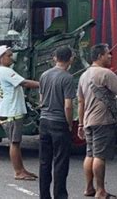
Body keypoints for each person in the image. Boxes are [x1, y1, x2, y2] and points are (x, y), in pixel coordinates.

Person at [77, 43, 117, 198]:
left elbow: (80, 102)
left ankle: (89, 188)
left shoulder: (84, 75)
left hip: (89, 120)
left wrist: (81, 124)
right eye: (107, 54)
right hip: (103, 120)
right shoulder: (105, 73)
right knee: (99, 156)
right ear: (100, 56)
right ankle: (101, 190)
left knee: (90, 154)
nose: (110, 56)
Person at [0, 45, 39, 181]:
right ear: (1, 58)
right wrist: (45, 83)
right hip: (11, 112)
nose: (12, 58)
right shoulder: (5, 71)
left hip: (11, 111)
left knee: (16, 143)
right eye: (9, 55)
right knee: (15, 143)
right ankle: (18, 171)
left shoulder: (5, 70)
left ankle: (21, 170)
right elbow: (24, 83)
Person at [38, 46, 76, 199]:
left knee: (44, 162)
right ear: (71, 59)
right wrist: (69, 123)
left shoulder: (44, 75)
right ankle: (60, 195)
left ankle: (44, 195)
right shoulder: (67, 78)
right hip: (59, 122)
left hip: (44, 120)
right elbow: (68, 105)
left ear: (55, 58)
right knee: (60, 162)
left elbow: (41, 100)